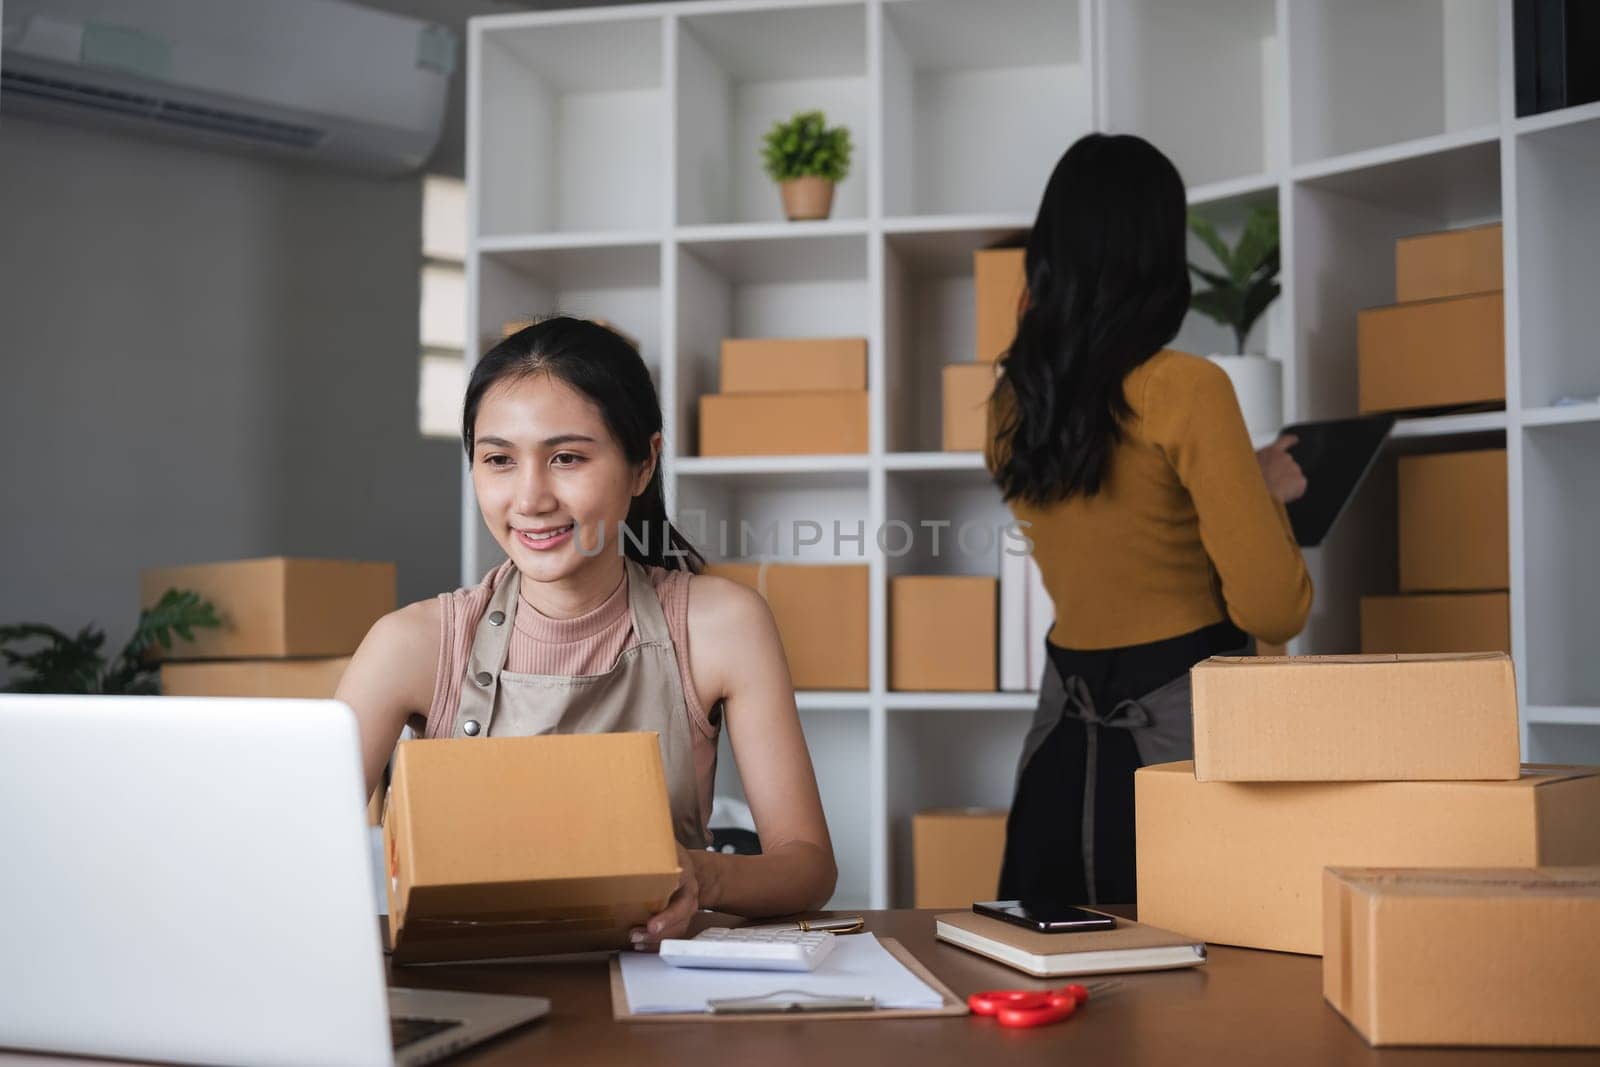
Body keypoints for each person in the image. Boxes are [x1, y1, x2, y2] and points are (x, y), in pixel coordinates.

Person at [337, 316, 837, 943]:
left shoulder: (722, 625)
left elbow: (808, 865)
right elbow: (292, 851)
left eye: (567, 457)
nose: (530, 498)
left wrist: (703, 879)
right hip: (468, 988)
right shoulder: (411, 644)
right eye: (498, 460)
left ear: (642, 464)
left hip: (656, 994)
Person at [986, 133, 1312, 907]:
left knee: (1056, 995)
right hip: (1184, 755)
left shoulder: (1010, 404)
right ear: (1156, 256)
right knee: (1198, 1009)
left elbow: (1113, 516)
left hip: (1060, 754)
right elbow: (1275, 607)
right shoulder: (1188, 389)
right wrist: (1260, 487)